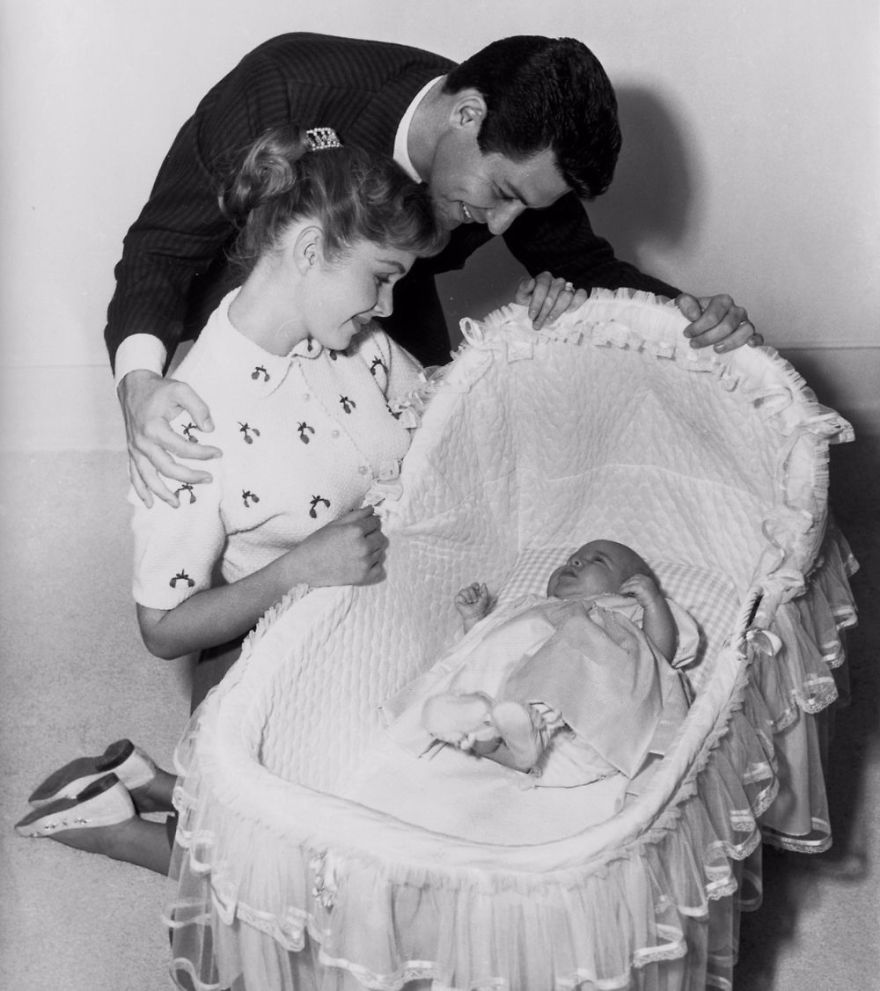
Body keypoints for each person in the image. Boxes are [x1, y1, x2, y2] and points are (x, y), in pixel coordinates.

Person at [13, 124, 445, 872]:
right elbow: (162, 627)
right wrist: (296, 568)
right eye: (381, 276)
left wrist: (520, 336)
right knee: (316, 874)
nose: (388, 303)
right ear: (310, 253)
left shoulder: (362, 344)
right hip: (269, 652)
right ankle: (120, 825)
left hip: (376, 630)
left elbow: (439, 411)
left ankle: (158, 783)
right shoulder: (188, 419)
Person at [105, 33, 763, 509]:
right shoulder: (284, 85)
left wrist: (691, 312)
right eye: (501, 193)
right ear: (466, 113)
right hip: (246, 296)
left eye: (525, 207)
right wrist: (140, 387)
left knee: (435, 477)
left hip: (387, 308)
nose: (504, 225)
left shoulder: (515, 160)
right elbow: (161, 248)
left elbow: (585, 265)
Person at [382, 540, 698, 787]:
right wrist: (477, 621)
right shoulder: (534, 607)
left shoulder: (624, 611)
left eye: (596, 560)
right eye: (570, 559)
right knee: (483, 705)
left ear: (629, 586)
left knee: (571, 648)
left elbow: (658, 655)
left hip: (595, 729)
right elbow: (490, 649)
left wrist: (653, 602)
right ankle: (499, 743)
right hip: (534, 739)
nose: (574, 561)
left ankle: (518, 737)